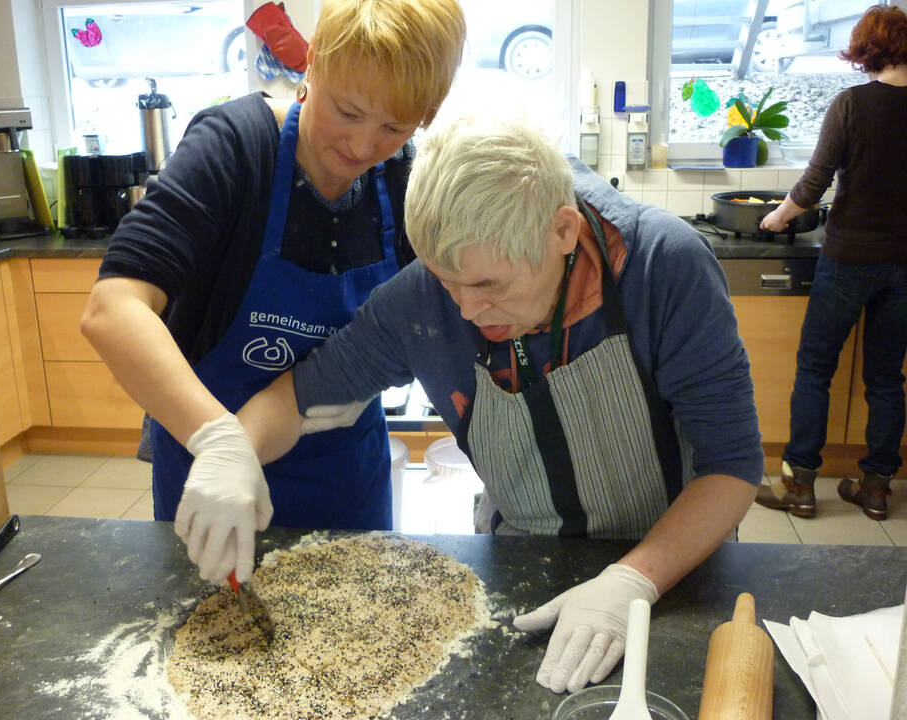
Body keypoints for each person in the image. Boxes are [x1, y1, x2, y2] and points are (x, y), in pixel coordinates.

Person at [188, 113, 763, 691]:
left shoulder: (663, 266)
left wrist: (633, 580)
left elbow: (731, 466)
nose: (465, 311)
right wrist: (232, 451)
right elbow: (297, 398)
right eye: (446, 281)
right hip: (520, 565)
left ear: (562, 232)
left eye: (490, 286)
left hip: (672, 568)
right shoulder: (420, 301)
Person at [80, 0, 466, 582]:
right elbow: (113, 310)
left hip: (344, 480)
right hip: (213, 478)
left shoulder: (403, 181)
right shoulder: (234, 148)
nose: (363, 146)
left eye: (393, 126)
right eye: (348, 110)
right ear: (314, 68)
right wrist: (219, 443)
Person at [755, 4, 907, 521]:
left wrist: (777, 217)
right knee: (887, 378)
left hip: (848, 259)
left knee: (815, 369)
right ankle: (875, 488)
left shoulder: (853, 104)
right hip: (904, 264)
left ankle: (799, 484)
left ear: (867, 50)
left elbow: (815, 181)